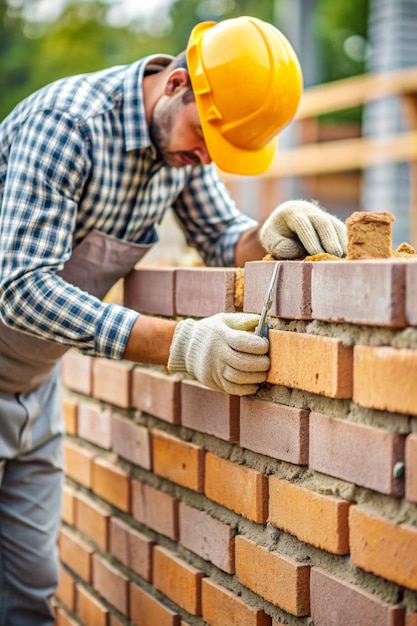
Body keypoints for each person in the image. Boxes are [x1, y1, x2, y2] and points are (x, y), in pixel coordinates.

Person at [0, 15, 346, 625]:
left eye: (217, 149)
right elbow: (22, 289)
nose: (203, 158)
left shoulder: (183, 147)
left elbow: (220, 236)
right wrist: (180, 343)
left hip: (33, 387)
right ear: (178, 83)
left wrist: (272, 235)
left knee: (27, 595)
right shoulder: (68, 126)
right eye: (204, 137)